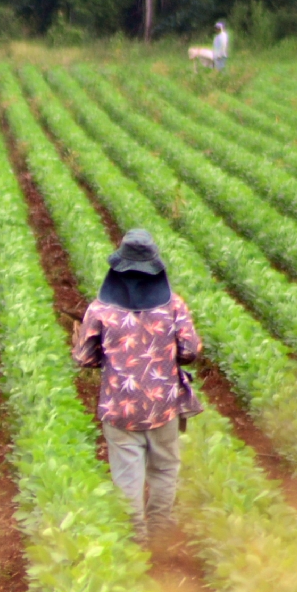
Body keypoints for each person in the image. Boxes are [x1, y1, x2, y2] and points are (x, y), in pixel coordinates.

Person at [72, 230, 203, 538]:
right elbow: (190, 351)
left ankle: (136, 539)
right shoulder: (174, 306)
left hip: (120, 407)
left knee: (127, 477)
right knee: (164, 470)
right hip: (163, 407)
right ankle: (158, 530)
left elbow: (84, 359)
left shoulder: (101, 309)